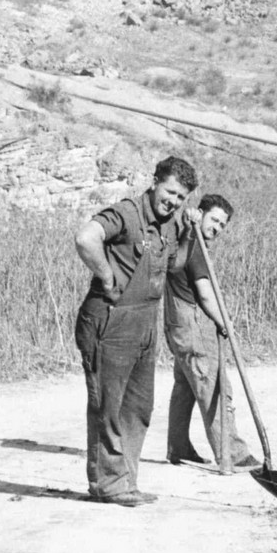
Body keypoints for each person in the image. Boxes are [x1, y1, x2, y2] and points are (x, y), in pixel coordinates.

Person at [72, 155, 198, 506]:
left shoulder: (171, 223)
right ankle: (107, 484)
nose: (172, 201)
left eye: (181, 197)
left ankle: (124, 482)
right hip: (111, 319)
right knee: (107, 406)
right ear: (155, 181)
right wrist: (107, 276)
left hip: (145, 321)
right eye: (170, 191)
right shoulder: (127, 212)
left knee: (138, 406)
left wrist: (189, 232)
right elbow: (86, 238)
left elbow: (175, 265)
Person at [164, 193, 261, 470]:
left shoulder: (186, 240)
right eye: (214, 220)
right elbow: (206, 297)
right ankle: (232, 453)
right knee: (215, 385)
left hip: (177, 326)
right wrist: (225, 323)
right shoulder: (195, 247)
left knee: (185, 386)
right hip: (192, 325)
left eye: (222, 225)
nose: (217, 228)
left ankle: (178, 447)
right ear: (201, 213)